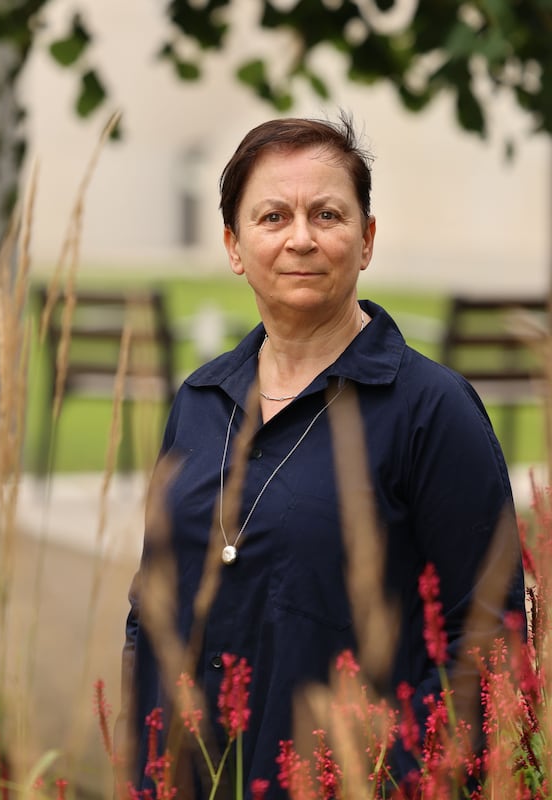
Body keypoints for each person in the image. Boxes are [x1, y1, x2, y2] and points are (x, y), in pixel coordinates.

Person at [118, 115, 526, 797]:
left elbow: (487, 644)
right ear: (234, 245)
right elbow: (152, 602)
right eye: (272, 215)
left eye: (327, 214)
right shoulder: (198, 400)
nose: (300, 238)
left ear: (365, 240)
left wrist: (383, 778)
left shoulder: (432, 411)